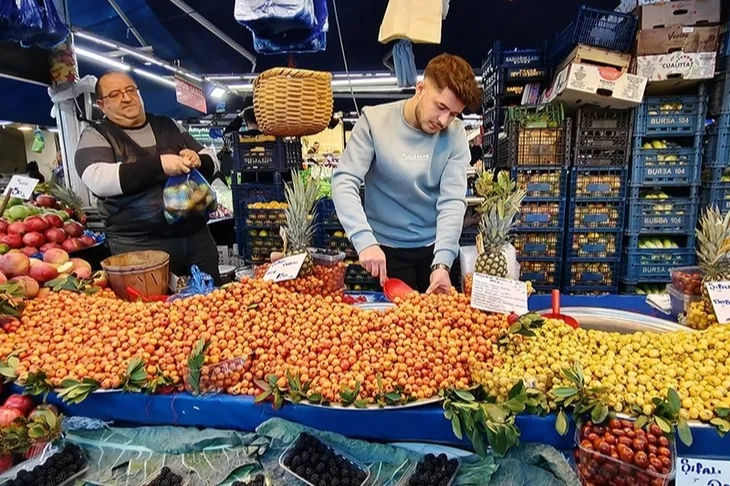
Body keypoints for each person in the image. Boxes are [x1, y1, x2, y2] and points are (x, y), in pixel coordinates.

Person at [332, 53, 481, 294]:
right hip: (385, 250)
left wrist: (443, 262)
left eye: (453, 114)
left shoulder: (455, 135)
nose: (444, 121)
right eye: (441, 107)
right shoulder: (373, 121)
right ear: (420, 88)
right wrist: (364, 241)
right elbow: (344, 181)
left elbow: (452, 200)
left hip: (434, 250)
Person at [74, 71, 221, 284]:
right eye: (115, 94)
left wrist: (198, 159)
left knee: (215, 306)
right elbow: (97, 178)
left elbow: (212, 159)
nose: (126, 98)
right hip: (138, 246)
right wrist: (159, 164)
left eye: (130, 90)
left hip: (196, 239)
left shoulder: (169, 125)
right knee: (151, 313)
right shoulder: (96, 134)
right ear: (102, 104)